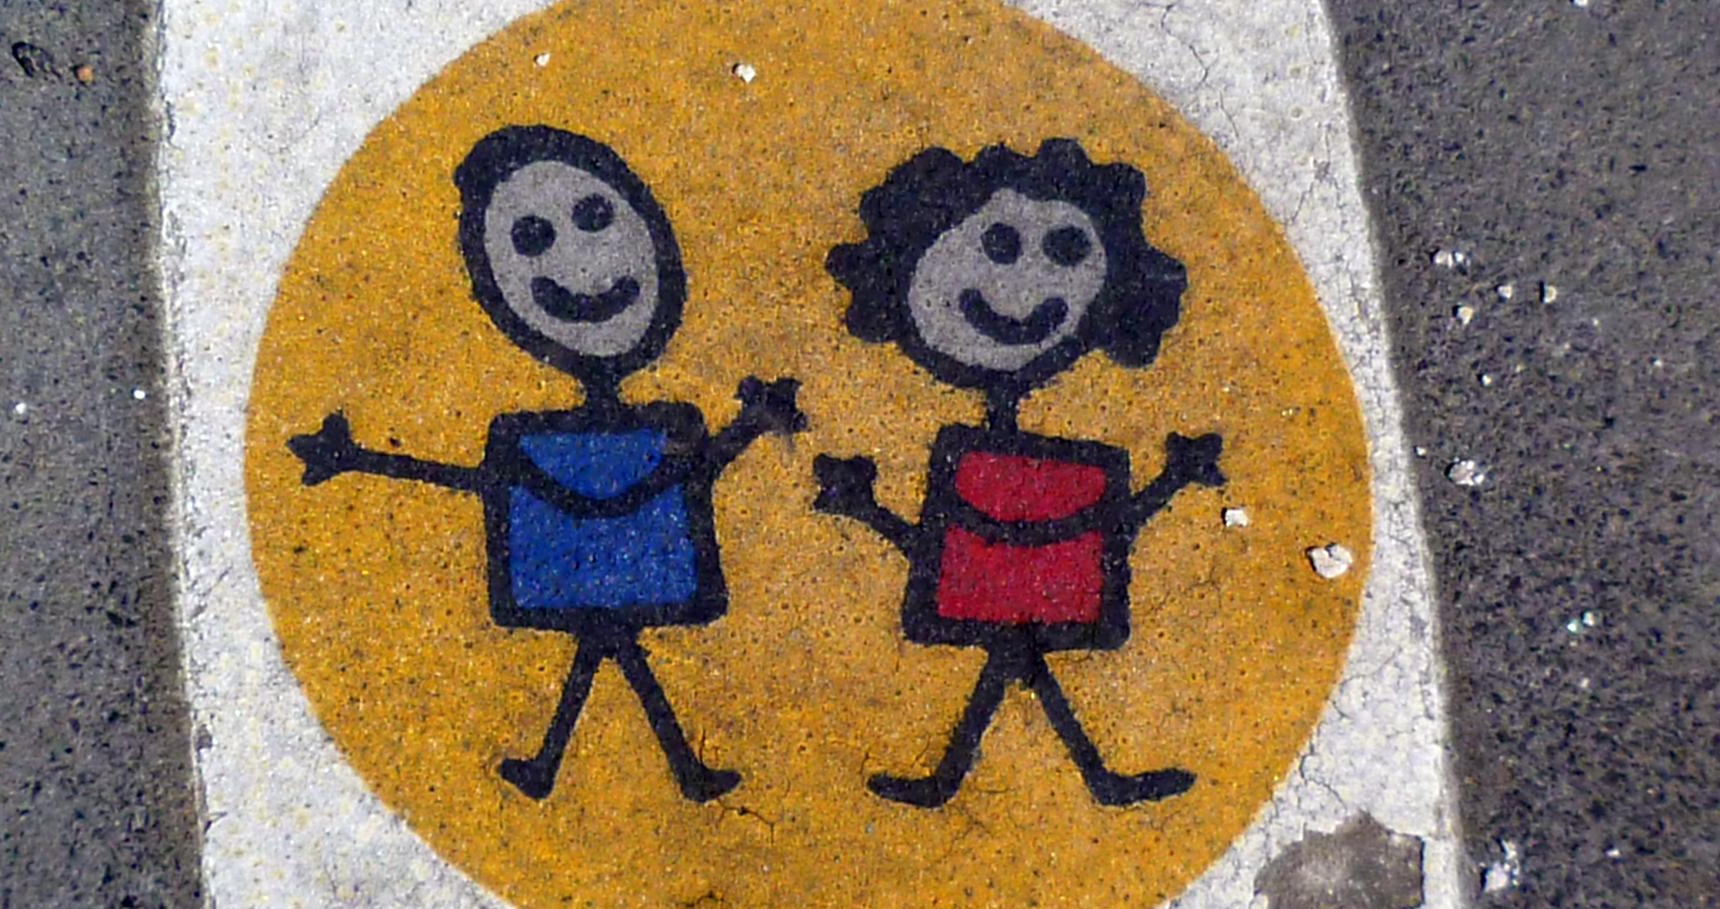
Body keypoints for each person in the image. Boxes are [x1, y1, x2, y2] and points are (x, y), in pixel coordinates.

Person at [288, 125, 804, 803]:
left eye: (595, 217)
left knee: (607, 656)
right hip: (597, 577)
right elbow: (492, 485)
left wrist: (748, 427)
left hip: (601, 577)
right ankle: (648, 768)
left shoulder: (646, 430)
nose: (577, 263)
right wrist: (360, 459)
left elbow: (686, 471)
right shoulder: (556, 441)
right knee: (612, 655)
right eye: (531, 238)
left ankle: (586, 767)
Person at [814, 138, 1221, 809]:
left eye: (1065, 250)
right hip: (1005, 597)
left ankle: (977, 779)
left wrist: (1173, 481)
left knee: (1014, 664)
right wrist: (1173, 480)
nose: (1024, 286)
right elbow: (954, 543)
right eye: (999, 246)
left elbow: (1085, 530)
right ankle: (1065, 778)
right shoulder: (977, 461)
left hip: (1026, 597)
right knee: (1017, 665)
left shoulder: (1031, 467)